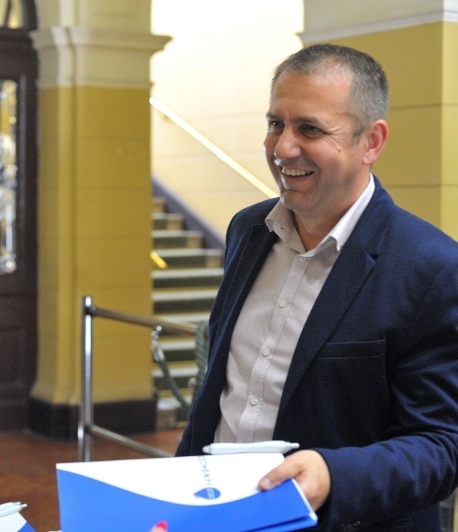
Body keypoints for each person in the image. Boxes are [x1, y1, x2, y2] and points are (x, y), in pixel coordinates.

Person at [176, 43, 458, 531]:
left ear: (371, 141)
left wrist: (332, 475)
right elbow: (222, 392)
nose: (283, 148)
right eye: (274, 124)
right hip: (218, 513)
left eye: (309, 129)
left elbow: (441, 444)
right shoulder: (248, 230)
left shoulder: (432, 267)